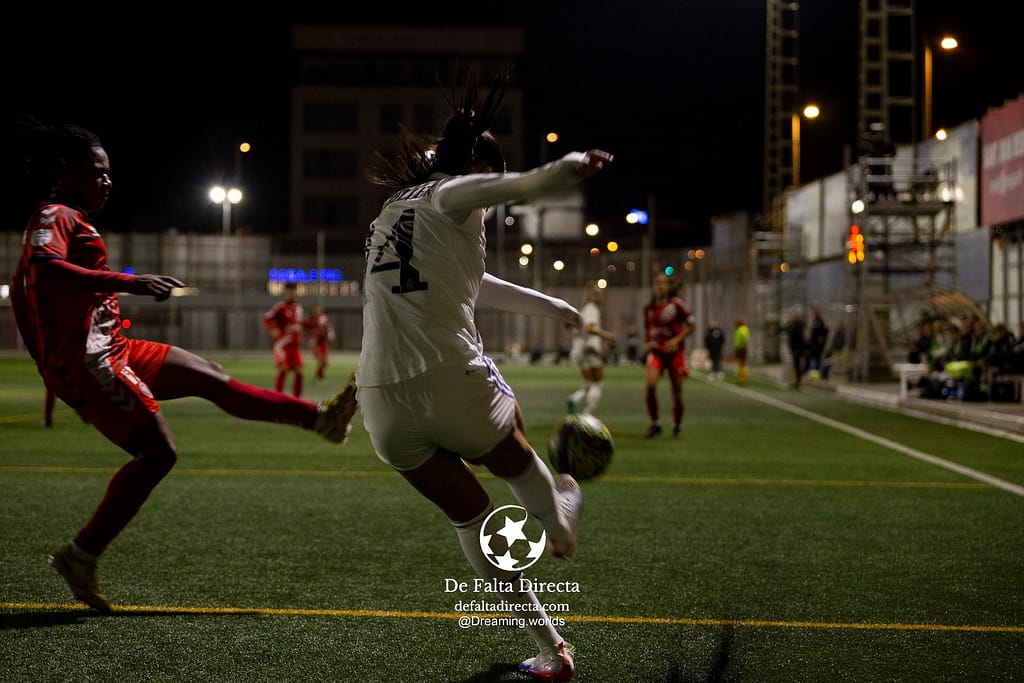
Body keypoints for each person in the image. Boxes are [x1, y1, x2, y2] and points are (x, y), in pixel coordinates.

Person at [9, 119, 358, 613]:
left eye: (109, 173)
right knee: (159, 454)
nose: (107, 181)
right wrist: (130, 283)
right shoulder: (55, 213)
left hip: (115, 347)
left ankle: (319, 419)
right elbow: (43, 269)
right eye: (98, 172)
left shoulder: (74, 215)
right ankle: (80, 554)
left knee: (208, 374)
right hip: (90, 359)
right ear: (65, 171)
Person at [357, 66, 612, 681]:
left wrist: (549, 304)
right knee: (511, 438)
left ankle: (552, 652)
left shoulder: (396, 208)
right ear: (480, 176)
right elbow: (525, 186)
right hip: (450, 375)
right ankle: (559, 521)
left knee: (472, 518)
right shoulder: (453, 195)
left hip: (382, 403)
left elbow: (472, 286)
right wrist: (569, 166)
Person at [642, 273, 696, 437]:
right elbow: (649, 330)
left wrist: (676, 339)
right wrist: (647, 342)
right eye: (657, 282)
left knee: (677, 392)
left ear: (669, 286)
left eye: (663, 283)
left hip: (674, 353)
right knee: (650, 387)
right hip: (657, 352)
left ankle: (677, 425)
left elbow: (692, 325)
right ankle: (655, 423)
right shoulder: (649, 308)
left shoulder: (676, 304)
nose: (660, 286)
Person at [567, 283, 617, 415]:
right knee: (598, 383)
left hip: (577, 349)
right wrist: (608, 335)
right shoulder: (592, 308)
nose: (600, 296)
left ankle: (574, 398)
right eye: (597, 293)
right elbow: (589, 328)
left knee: (590, 383)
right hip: (588, 349)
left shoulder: (584, 309)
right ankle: (587, 414)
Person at [263, 281, 306, 397]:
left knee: (300, 372)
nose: (292, 294)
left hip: (294, 347)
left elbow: (298, 324)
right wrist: (273, 329)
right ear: (285, 292)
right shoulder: (280, 307)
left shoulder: (298, 307)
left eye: (294, 291)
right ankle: (278, 397)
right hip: (282, 345)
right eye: (289, 291)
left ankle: (297, 400)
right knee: (283, 370)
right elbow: (267, 319)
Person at [304, 303, 335, 381]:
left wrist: (331, 333)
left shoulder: (324, 317)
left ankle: (319, 375)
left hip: (323, 342)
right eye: (316, 308)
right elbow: (305, 328)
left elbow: (328, 326)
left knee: (325, 362)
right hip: (315, 343)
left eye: (319, 308)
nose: (317, 310)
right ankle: (319, 376)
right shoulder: (310, 319)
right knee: (320, 360)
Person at [784, 310, 808, 388]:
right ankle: (796, 380)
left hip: (797, 348)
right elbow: (785, 329)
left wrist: (797, 349)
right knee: (795, 365)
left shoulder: (798, 326)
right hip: (794, 348)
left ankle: (798, 380)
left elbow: (799, 338)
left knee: (797, 364)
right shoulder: (792, 325)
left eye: (792, 317)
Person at [807, 307, 829, 377]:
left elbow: (823, 333)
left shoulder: (820, 322)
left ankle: (815, 376)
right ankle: (812, 375)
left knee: (817, 361)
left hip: (817, 346)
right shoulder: (813, 322)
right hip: (812, 345)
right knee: (811, 361)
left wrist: (821, 341)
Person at [733, 316, 750, 385]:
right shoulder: (741, 329)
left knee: (741, 364)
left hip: (741, 348)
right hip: (739, 348)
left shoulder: (743, 329)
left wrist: (744, 346)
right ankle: (741, 378)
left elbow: (744, 338)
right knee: (740, 364)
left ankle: (742, 378)